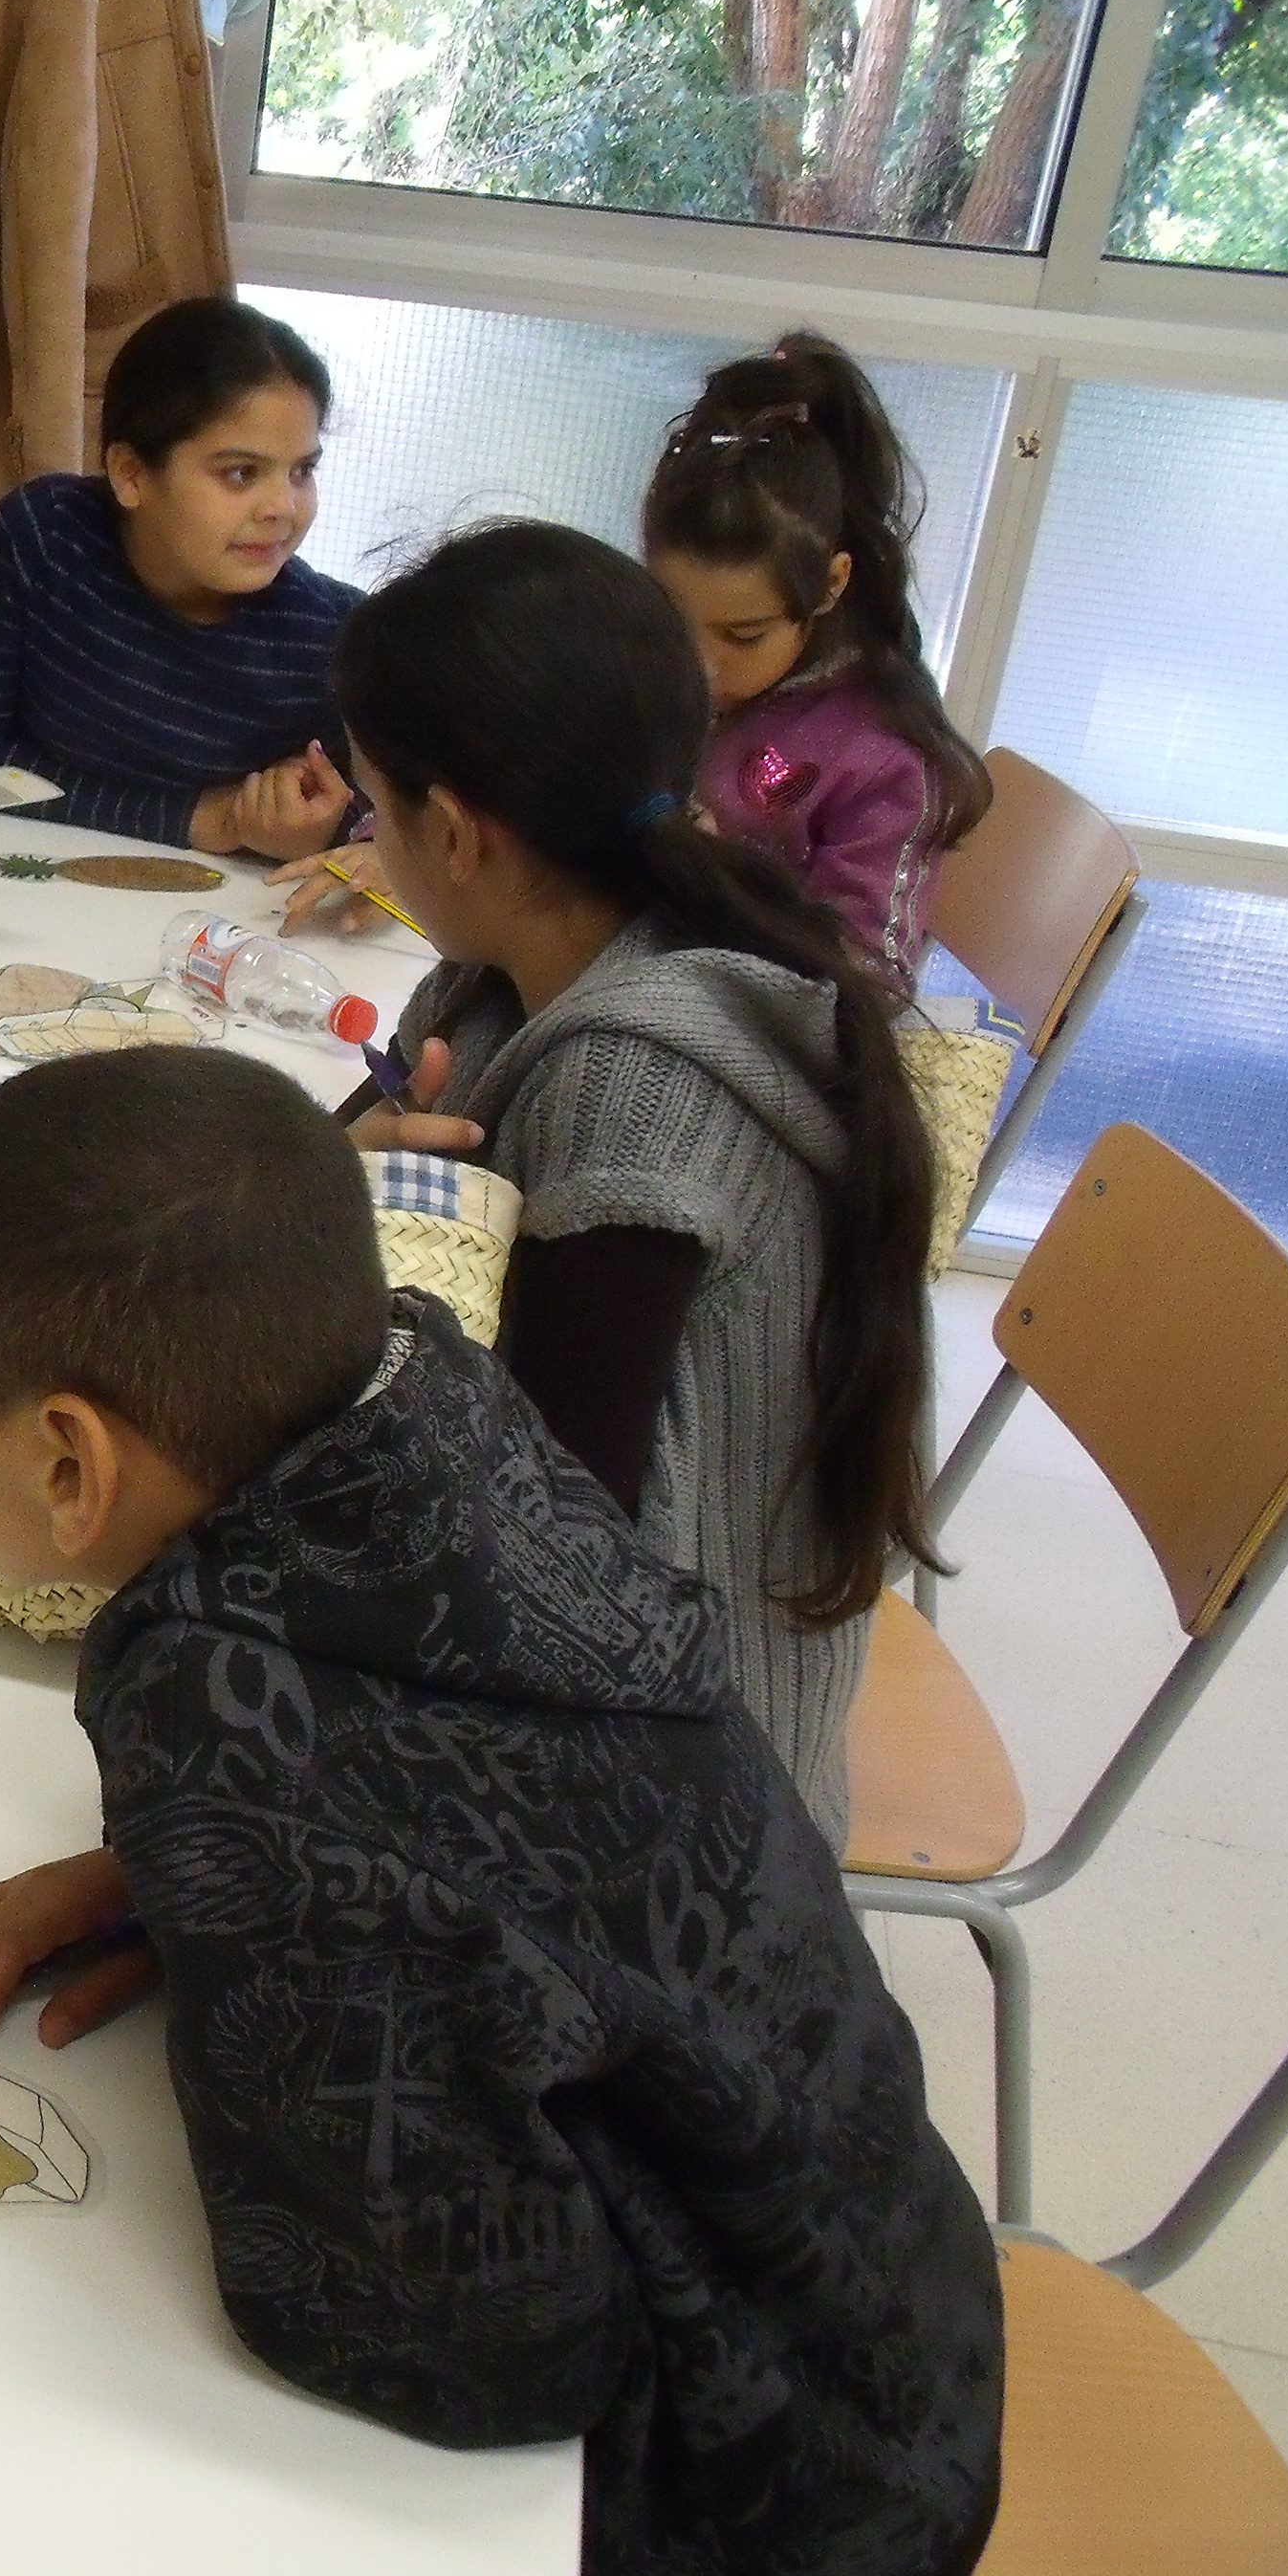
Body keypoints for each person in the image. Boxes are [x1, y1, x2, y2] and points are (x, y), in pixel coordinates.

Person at [0, 1046, 1002, 2576]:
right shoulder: (432, 1414)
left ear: (70, 1461)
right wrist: (163, 1883)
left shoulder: (222, 1728)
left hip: (760, 2492)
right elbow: (470, 1808)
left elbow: (472, 2346)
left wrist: (242, 1933)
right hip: (889, 2304)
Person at [338, 522, 938, 1840]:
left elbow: (550, 1546)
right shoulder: (503, 980)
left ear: (456, 833)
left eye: (374, 807)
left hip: (670, 1810)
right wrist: (341, 1178)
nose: (369, 840)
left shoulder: (632, 1082)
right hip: (599, 1667)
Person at [0, 296, 362, 857]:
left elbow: (406, 828)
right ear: (131, 474)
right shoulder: (40, 540)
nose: (284, 507)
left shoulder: (338, 638)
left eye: (303, 470)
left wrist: (338, 832)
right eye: (241, 473)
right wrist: (205, 820)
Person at [643, 333, 993, 989]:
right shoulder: (643, 669)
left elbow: (869, 980)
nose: (698, 666)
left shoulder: (883, 760)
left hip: (755, 1027)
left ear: (830, 586)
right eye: (669, 619)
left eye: (742, 636)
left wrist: (727, 892)